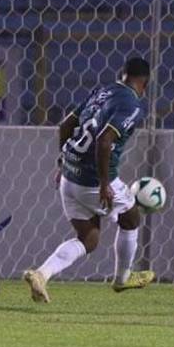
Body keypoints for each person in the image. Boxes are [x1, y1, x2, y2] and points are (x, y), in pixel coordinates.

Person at [23, 56, 156, 302]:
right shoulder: (133, 105)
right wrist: (105, 184)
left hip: (69, 178)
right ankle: (122, 279)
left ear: (122, 74)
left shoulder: (101, 91)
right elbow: (104, 141)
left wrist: (62, 162)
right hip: (93, 181)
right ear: (145, 83)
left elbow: (65, 125)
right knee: (131, 218)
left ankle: (41, 274)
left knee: (89, 238)